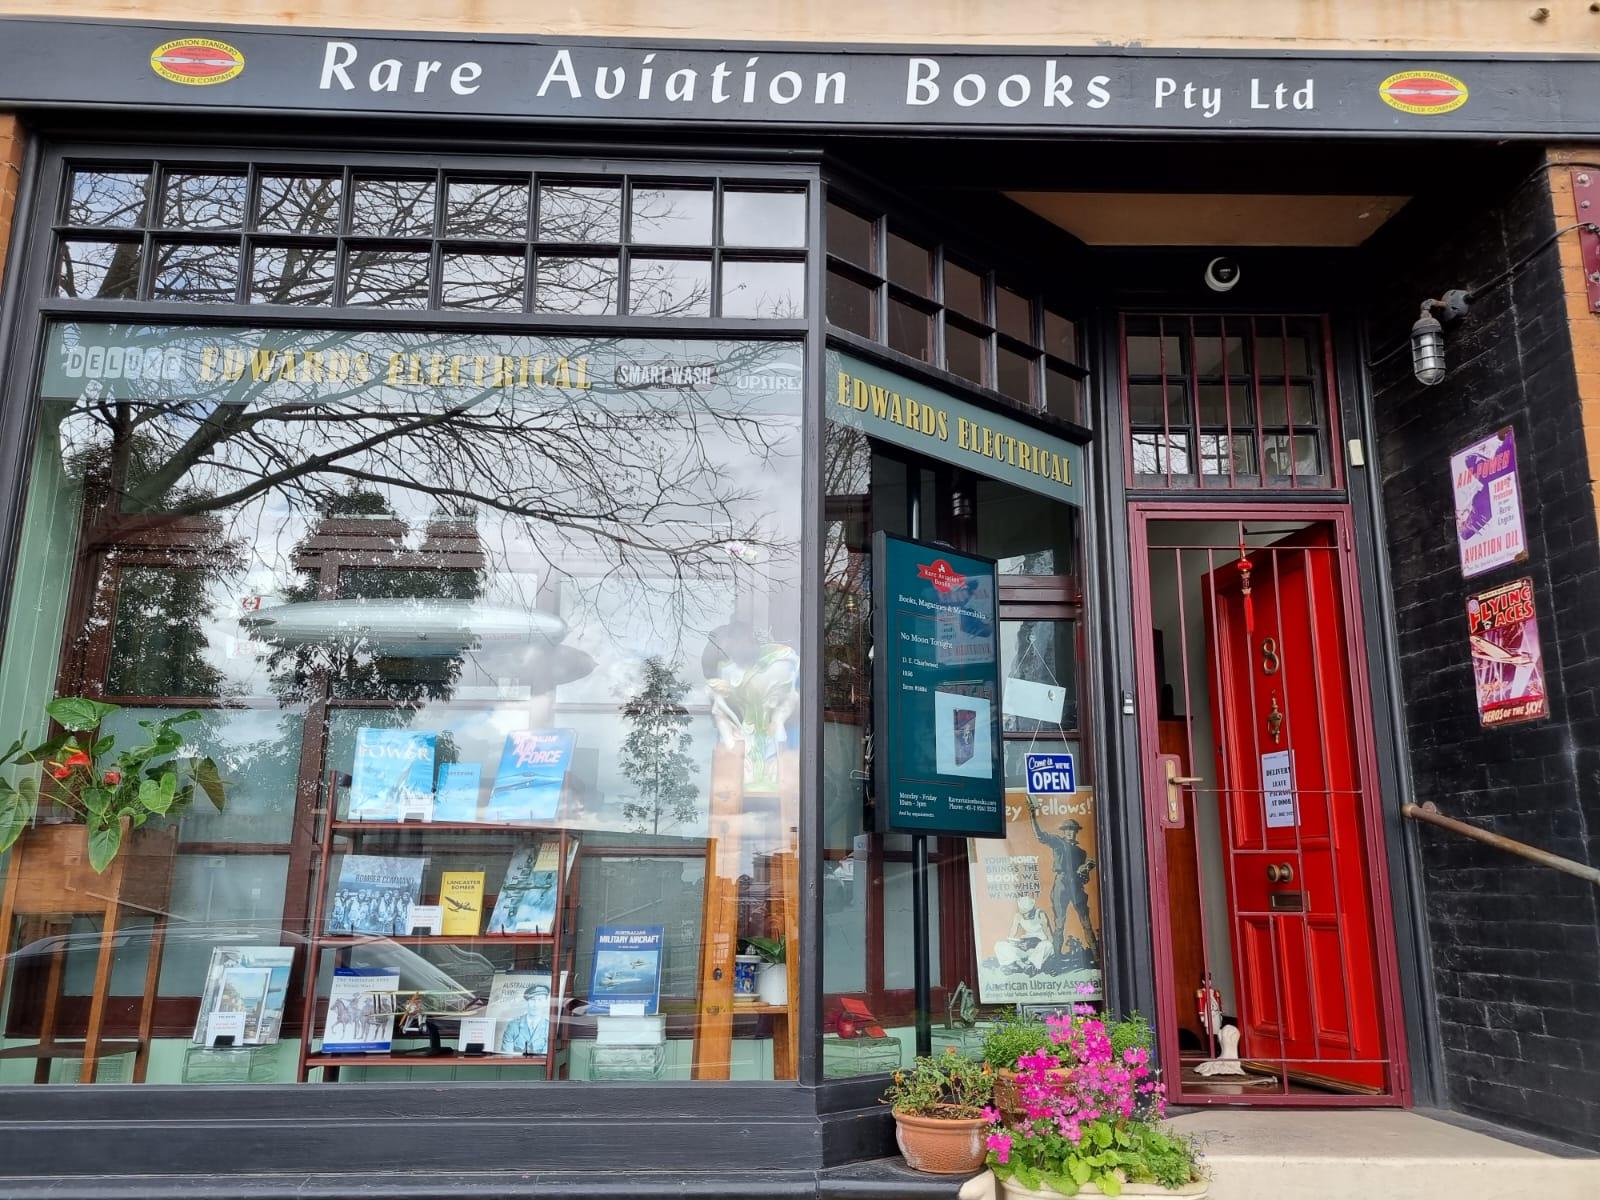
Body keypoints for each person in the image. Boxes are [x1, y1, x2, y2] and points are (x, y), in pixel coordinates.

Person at [1027, 798, 1100, 960]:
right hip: (1061, 884)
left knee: (1085, 920)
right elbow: (1039, 836)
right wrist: (1032, 815)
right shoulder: (1058, 843)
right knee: (1059, 922)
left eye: (1072, 829)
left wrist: (1086, 868)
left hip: (1076, 885)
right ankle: (1057, 959)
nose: (1069, 831)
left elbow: (1084, 878)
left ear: (1076, 831)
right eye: (1067, 829)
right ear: (1063, 831)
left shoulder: (1081, 853)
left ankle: (1096, 957)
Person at [994, 896, 1053, 974]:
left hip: (1038, 950)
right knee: (999, 945)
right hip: (1025, 949)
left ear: (1032, 910)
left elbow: (1050, 937)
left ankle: (1027, 965)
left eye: (1026, 913)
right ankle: (1022, 965)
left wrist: (1034, 943)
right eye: (1022, 913)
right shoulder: (1018, 916)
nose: (1024, 915)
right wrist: (1016, 944)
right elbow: (1011, 935)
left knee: (1047, 945)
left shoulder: (1040, 914)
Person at [498, 982, 551, 1056]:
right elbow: (507, 1055)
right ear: (527, 1002)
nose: (536, 1004)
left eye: (540, 1000)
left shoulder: (549, 1027)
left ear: (545, 1002)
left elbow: (546, 1056)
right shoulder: (513, 1025)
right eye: (532, 1000)